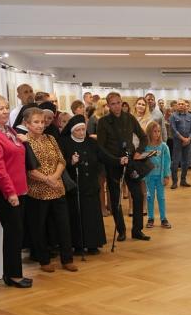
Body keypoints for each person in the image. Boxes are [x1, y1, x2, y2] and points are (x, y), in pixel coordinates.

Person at [0, 94, 33, 289]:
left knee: (17, 233)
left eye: (6, 107)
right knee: (14, 232)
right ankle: (13, 275)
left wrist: (24, 141)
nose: (4, 111)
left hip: (20, 189)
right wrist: (10, 192)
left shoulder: (8, 130)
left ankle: (12, 273)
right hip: (5, 192)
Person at [24, 107, 78, 272]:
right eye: (36, 122)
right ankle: (44, 260)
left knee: (64, 226)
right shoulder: (24, 142)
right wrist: (48, 180)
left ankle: (67, 259)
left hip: (57, 189)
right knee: (39, 228)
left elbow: (61, 160)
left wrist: (54, 177)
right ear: (27, 124)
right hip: (37, 192)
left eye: (42, 122)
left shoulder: (50, 138)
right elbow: (29, 170)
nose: (40, 125)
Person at [96, 92, 150, 240]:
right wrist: (116, 160)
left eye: (118, 102)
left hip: (130, 162)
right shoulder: (103, 122)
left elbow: (144, 137)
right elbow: (101, 148)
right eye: (113, 104)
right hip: (113, 164)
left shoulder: (130, 118)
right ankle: (121, 231)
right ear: (108, 105)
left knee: (138, 195)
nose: (117, 106)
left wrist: (138, 152)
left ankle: (137, 230)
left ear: (122, 102)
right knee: (115, 199)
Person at [58, 116, 107, 254]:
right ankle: (78, 245)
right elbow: (60, 162)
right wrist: (71, 162)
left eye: (83, 129)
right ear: (72, 131)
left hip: (91, 185)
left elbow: (104, 156)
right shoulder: (64, 143)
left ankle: (93, 244)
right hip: (75, 187)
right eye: (78, 130)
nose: (81, 133)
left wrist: (119, 160)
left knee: (92, 216)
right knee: (76, 216)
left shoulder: (91, 142)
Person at [142, 121, 172, 229]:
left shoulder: (163, 146)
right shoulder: (145, 147)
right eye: (155, 131)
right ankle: (150, 218)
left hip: (160, 177)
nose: (157, 134)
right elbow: (142, 161)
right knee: (150, 197)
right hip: (149, 177)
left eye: (159, 131)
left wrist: (166, 175)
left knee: (161, 197)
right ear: (149, 132)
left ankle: (163, 218)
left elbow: (167, 162)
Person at [169, 100, 191, 188]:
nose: (181, 105)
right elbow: (173, 129)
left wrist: (188, 139)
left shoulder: (190, 116)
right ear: (177, 106)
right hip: (177, 142)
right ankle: (174, 182)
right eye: (179, 104)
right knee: (175, 162)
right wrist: (182, 138)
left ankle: (183, 180)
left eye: (182, 104)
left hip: (188, 142)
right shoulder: (173, 116)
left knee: (186, 162)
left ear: (185, 106)